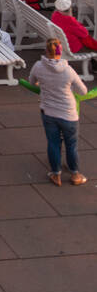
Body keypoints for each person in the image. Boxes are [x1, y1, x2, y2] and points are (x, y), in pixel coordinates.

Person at [29, 38, 88, 186]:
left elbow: (32, 82)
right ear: (60, 52)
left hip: (48, 112)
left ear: (46, 50)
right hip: (68, 114)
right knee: (71, 145)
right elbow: (83, 91)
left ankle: (56, 174)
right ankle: (75, 174)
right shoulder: (68, 71)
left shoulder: (38, 67)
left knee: (53, 143)